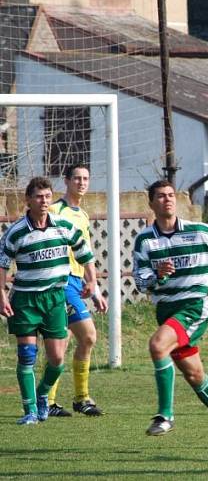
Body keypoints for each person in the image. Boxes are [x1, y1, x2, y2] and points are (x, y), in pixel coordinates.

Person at [133, 180, 208, 449]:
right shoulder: (145, 240)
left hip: (194, 308)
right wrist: (156, 276)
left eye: (171, 195)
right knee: (194, 375)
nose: (167, 200)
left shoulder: (199, 231)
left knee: (157, 345)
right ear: (152, 203)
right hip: (167, 311)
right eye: (160, 196)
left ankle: (165, 416)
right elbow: (140, 280)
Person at [0, 177, 98, 425]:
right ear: (28, 200)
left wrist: (92, 282)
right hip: (26, 300)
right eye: (38, 197)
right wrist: (2, 297)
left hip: (55, 298)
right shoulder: (16, 231)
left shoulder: (63, 226)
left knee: (56, 359)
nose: (43, 202)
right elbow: (2, 266)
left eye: (47, 196)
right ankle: (30, 410)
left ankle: (43, 394)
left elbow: (85, 252)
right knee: (27, 354)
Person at [46, 163, 110, 417]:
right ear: (67, 181)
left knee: (64, 342)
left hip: (77, 281)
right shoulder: (54, 210)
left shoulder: (82, 215)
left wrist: (94, 286)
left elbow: (86, 253)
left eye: (85, 179)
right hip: (61, 282)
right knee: (88, 336)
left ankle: (53, 401)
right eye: (77, 178)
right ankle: (77, 398)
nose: (82, 183)